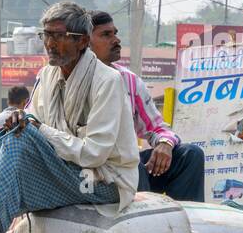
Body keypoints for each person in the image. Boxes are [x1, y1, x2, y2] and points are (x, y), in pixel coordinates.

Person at [0, 1, 139, 233]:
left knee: (23, 133)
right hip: (68, 167)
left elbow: (94, 153)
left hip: (104, 179)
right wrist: (17, 120)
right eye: (47, 35)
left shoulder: (108, 81)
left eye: (59, 36)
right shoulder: (48, 75)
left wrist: (34, 127)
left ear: (82, 41)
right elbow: (32, 118)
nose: (50, 44)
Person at [88, 11, 205, 201]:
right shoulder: (71, 80)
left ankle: (186, 223)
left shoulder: (129, 80)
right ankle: (146, 225)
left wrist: (164, 143)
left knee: (190, 155)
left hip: (129, 164)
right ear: (85, 42)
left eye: (115, 33)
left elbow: (157, 127)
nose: (116, 40)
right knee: (131, 165)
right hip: (92, 169)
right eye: (106, 35)